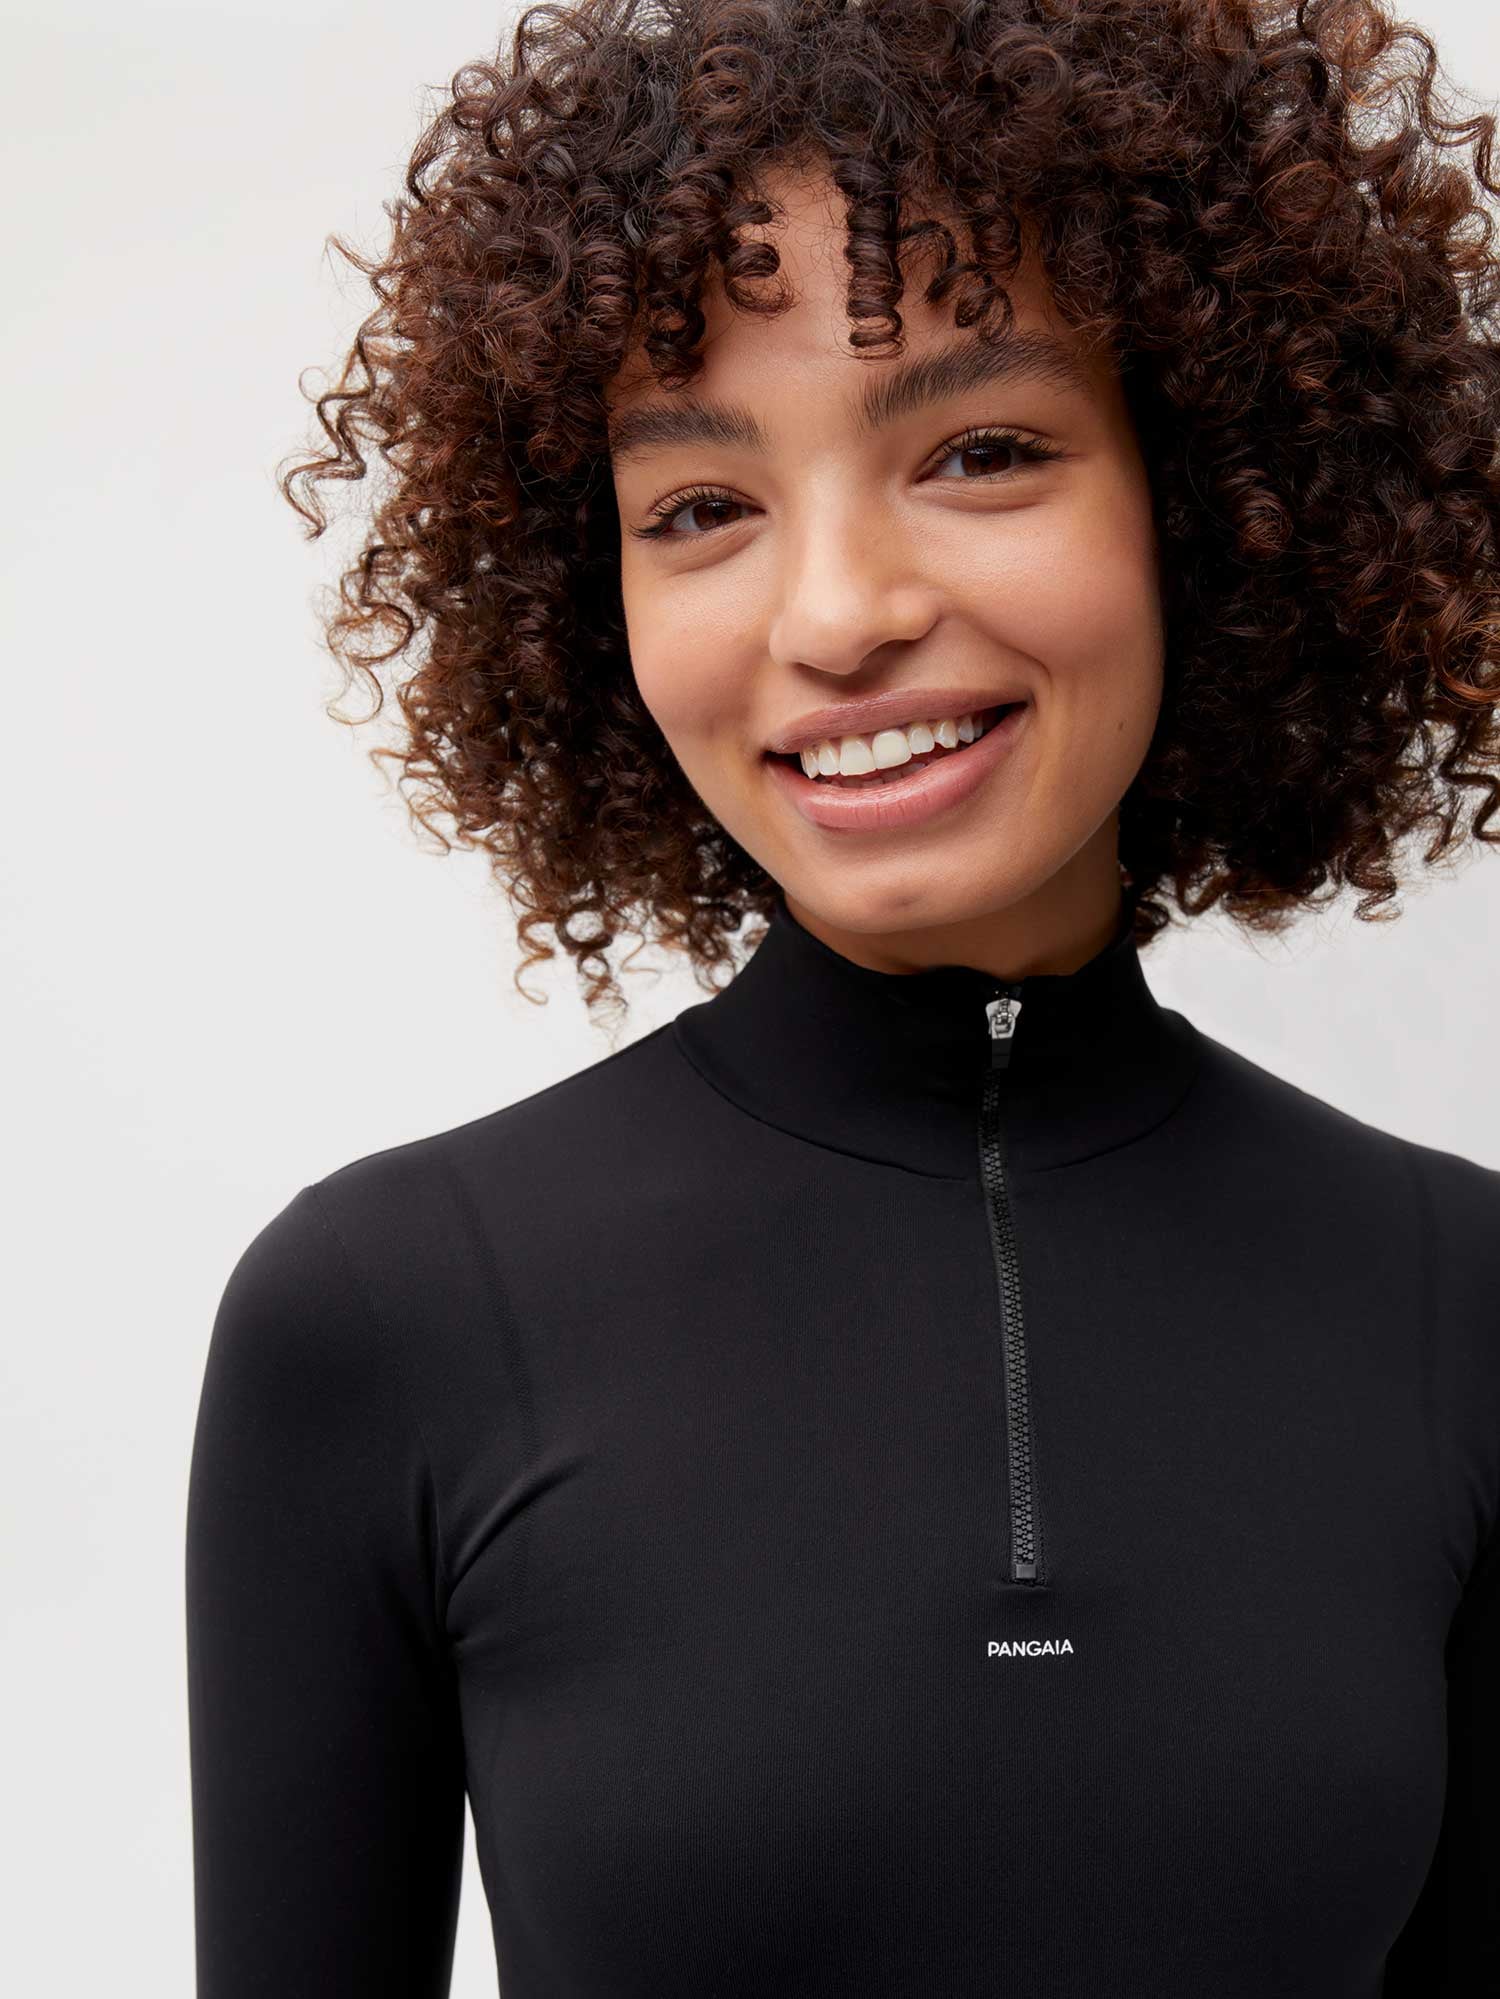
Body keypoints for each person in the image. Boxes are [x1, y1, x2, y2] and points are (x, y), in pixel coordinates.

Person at [184, 0, 1500, 1991]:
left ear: (1215, 501)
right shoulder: (383, 1316)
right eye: (702, 508)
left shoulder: (1460, 1305)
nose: (835, 615)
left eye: (982, 451)